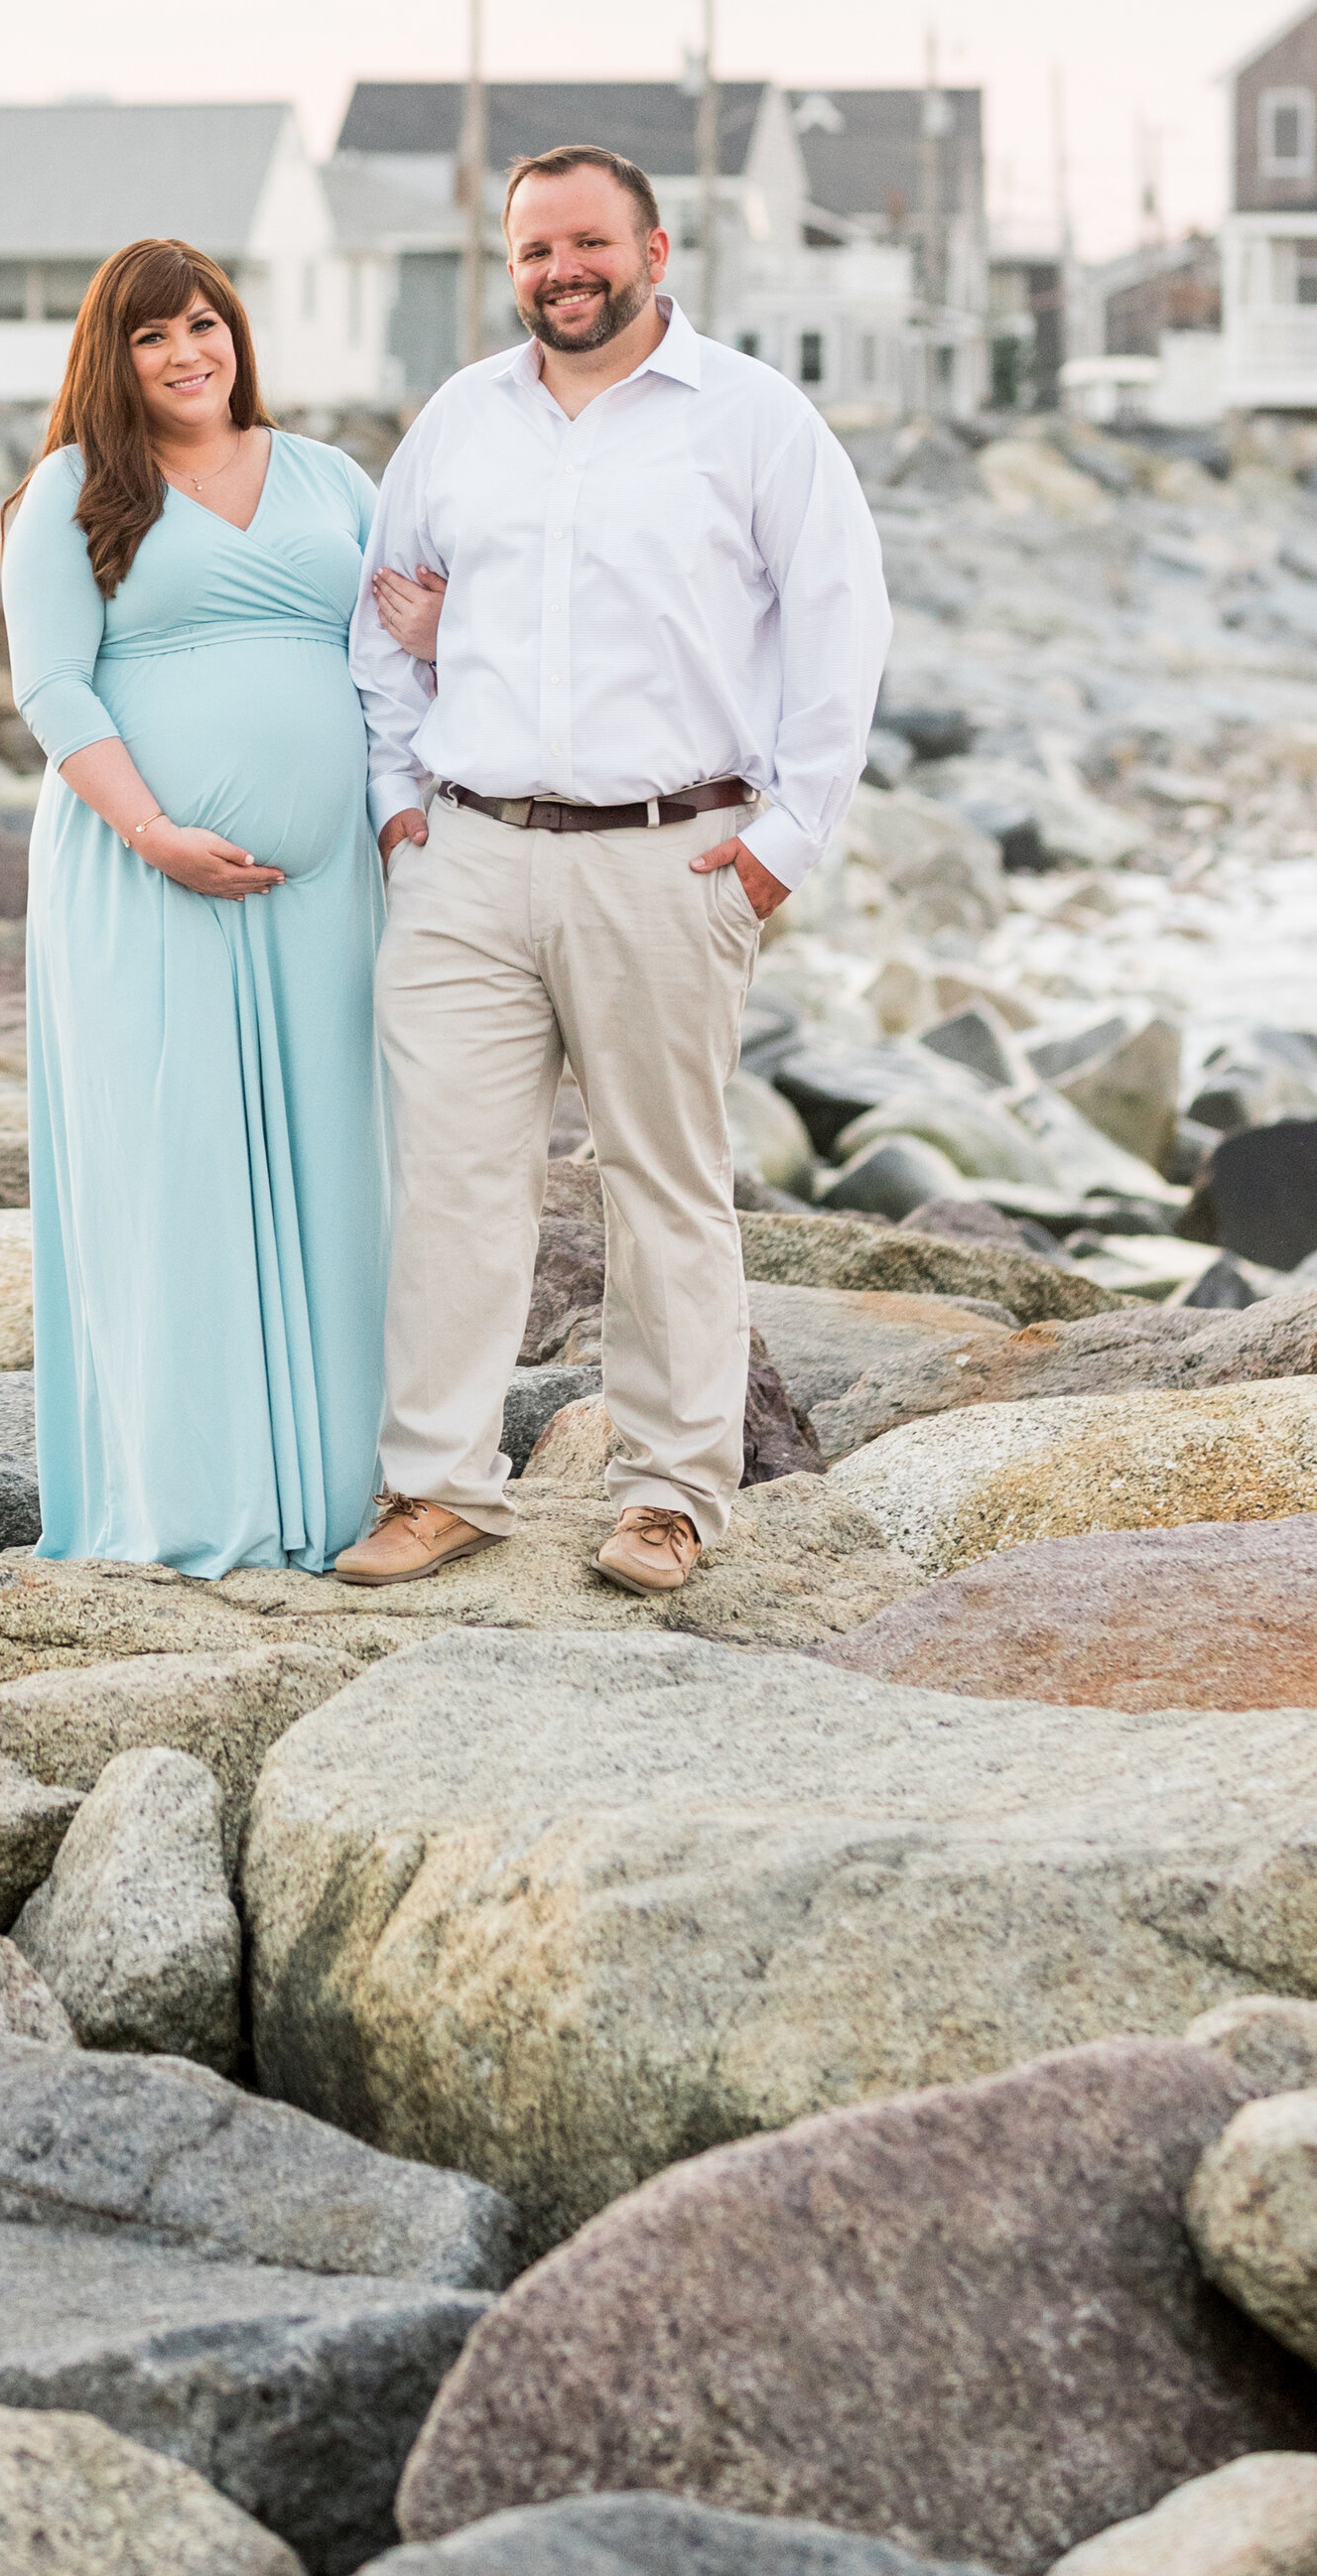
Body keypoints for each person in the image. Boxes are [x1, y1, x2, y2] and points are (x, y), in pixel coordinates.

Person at [342, 145, 889, 1594]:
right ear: (509, 261)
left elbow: (844, 627)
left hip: (670, 857)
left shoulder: (755, 421)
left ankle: (669, 1494)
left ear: (655, 249)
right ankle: (439, 1482)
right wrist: (401, 799)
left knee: (665, 1187)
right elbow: (377, 618)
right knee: (455, 1180)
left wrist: (780, 846)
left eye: (588, 242)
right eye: (534, 249)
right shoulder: (462, 419)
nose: (560, 270)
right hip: (468, 859)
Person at [0, 238, 390, 1576]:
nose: (186, 353)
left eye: (205, 323)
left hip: (327, 887)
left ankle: (339, 1500)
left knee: (339, 1168)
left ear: (239, 333)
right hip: (140, 876)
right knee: (171, 1170)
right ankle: (183, 1503)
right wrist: (156, 829)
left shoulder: (333, 477)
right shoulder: (74, 489)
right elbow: (54, 688)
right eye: (152, 335)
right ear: (111, 357)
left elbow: (402, 652)